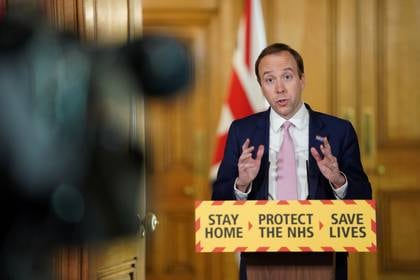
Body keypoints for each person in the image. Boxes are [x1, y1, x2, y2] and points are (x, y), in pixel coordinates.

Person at [212, 43, 372, 280]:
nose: (279, 89)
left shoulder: (339, 131)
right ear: (261, 87)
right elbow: (218, 203)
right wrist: (242, 184)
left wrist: (338, 180)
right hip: (261, 259)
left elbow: (364, 199)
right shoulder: (241, 132)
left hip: (323, 258)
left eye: (287, 77)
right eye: (269, 80)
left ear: (302, 80)